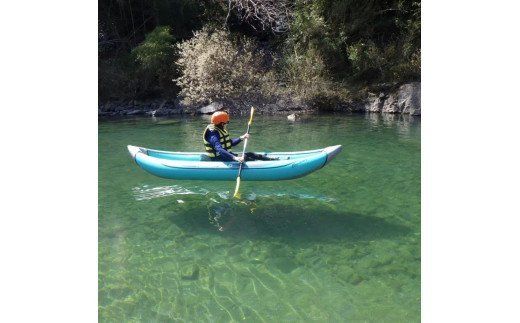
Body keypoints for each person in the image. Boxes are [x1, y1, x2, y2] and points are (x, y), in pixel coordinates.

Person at [203, 111, 278, 162]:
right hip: (218, 158)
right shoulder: (213, 133)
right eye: (227, 122)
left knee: (250, 154)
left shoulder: (219, 129)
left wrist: (241, 138)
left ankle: (271, 160)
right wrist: (235, 158)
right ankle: (258, 165)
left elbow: (229, 143)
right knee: (245, 157)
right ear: (222, 123)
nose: (227, 124)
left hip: (226, 155)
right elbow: (219, 148)